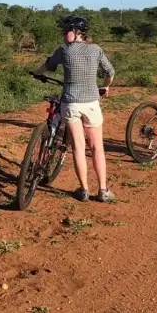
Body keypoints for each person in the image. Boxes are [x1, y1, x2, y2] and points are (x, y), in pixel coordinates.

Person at [32, 15, 116, 202]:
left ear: (77, 33)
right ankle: (103, 190)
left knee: (79, 148)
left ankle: (84, 190)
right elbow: (110, 72)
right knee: (97, 148)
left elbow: (48, 65)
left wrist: (35, 73)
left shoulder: (64, 50)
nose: (63, 34)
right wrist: (105, 86)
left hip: (70, 103)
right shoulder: (96, 49)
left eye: (66, 31)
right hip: (91, 104)